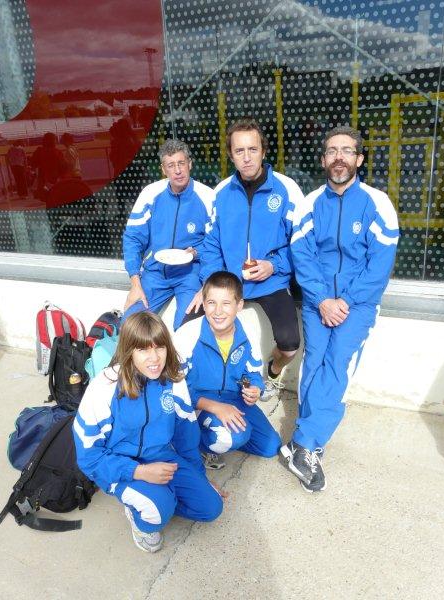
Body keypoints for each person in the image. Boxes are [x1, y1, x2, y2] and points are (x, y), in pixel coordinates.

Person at [281, 125, 400, 493]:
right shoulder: (309, 204)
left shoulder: (378, 204)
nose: (339, 157)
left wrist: (344, 302)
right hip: (318, 302)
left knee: (337, 364)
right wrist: (323, 300)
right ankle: (309, 441)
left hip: (357, 305)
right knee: (313, 363)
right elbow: (302, 256)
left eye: (347, 151)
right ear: (323, 160)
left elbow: (379, 265)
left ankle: (303, 443)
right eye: (332, 151)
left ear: (359, 159)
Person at [73, 311, 223, 553]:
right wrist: (139, 472)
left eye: (160, 347)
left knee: (211, 507)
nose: (155, 358)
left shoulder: (173, 379)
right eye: (143, 349)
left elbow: (186, 438)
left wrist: (200, 478)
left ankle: (161, 497)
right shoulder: (104, 386)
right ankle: (142, 515)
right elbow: (88, 458)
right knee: (157, 511)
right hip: (120, 465)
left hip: (161, 456)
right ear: (128, 351)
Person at [187, 118, 304, 398]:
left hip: (271, 282)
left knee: (290, 344)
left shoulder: (287, 189)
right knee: (187, 326)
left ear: (263, 151)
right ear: (231, 155)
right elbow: (211, 244)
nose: (247, 157)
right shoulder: (222, 192)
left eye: (253, 149)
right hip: (229, 281)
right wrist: (211, 284)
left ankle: (271, 372)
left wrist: (273, 265)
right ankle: (198, 386)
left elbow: (300, 245)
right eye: (239, 151)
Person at [175, 271, 281, 470]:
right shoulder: (187, 335)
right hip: (198, 401)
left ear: (239, 305)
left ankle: (225, 433)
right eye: (211, 303)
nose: (218, 311)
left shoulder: (247, 332)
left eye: (226, 303)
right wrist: (215, 407)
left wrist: (255, 389)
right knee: (231, 437)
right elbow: (174, 389)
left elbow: (252, 374)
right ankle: (194, 443)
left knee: (270, 446)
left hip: (234, 398)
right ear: (203, 303)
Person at [123, 139, 214, 330]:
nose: (178, 170)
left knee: (185, 328)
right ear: (163, 169)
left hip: (190, 274)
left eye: (181, 163)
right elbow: (132, 238)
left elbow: (216, 244)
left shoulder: (207, 196)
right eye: (171, 165)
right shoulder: (150, 193)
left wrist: (196, 253)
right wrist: (135, 283)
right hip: (155, 273)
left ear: (190, 164)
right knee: (130, 326)